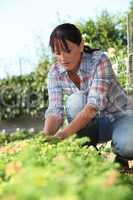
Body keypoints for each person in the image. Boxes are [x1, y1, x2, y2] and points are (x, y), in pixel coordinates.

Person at [43, 23, 133, 169]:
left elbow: (92, 108)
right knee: (76, 101)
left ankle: (119, 155)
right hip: (92, 126)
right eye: (57, 53)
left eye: (68, 51)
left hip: (120, 116)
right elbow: (55, 111)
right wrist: (44, 137)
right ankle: (90, 152)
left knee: (129, 145)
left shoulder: (99, 60)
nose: (63, 58)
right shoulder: (55, 73)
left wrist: (62, 135)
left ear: (81, 45)